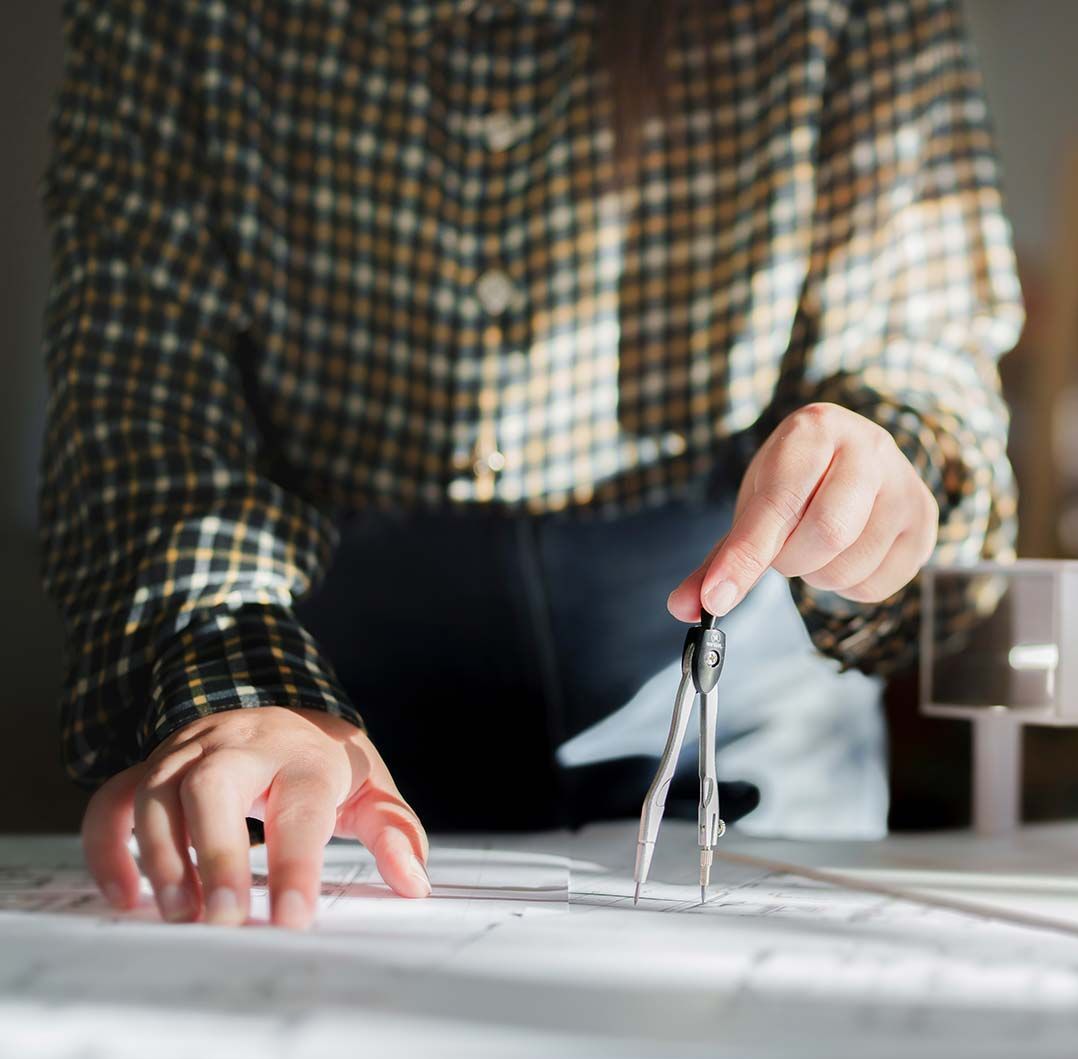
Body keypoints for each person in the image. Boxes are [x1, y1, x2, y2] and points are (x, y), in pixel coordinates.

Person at [40, 0, 1020, 929]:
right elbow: (143, 415)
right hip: (308, 727)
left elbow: (919, 366)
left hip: (746, 733)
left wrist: (882, 489)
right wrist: (238, 685)